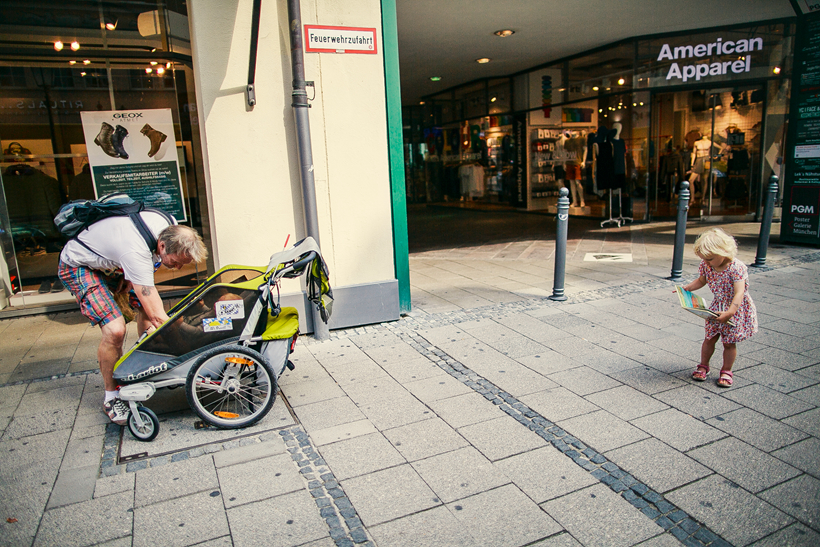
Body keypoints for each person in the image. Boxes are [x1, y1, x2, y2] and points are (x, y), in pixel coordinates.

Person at [57, 211, 207, 424]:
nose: (178, 268)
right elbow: (158, 317)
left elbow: (150, 304)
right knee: (115, 330)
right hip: (79, 265)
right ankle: (111, 397)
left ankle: (145, 363)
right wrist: (189, 349)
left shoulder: (169, 224)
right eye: (175, 262)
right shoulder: (135, 249)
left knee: (148, 309)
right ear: (162, 246)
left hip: (114, 261)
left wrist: (129, 278)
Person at [681, 228, 757, 387]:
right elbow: (702, 281)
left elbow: (739, 293)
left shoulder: (736, 267)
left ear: (723, 252)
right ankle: (703, 365)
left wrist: (730, 312)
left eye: (710, 258)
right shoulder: (707, 265)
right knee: (709, 338)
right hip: (717, 306)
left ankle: (726, 370)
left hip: (734, 308)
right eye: (704, 259)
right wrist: (686, 288)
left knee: (729, 342)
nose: (707, 262)